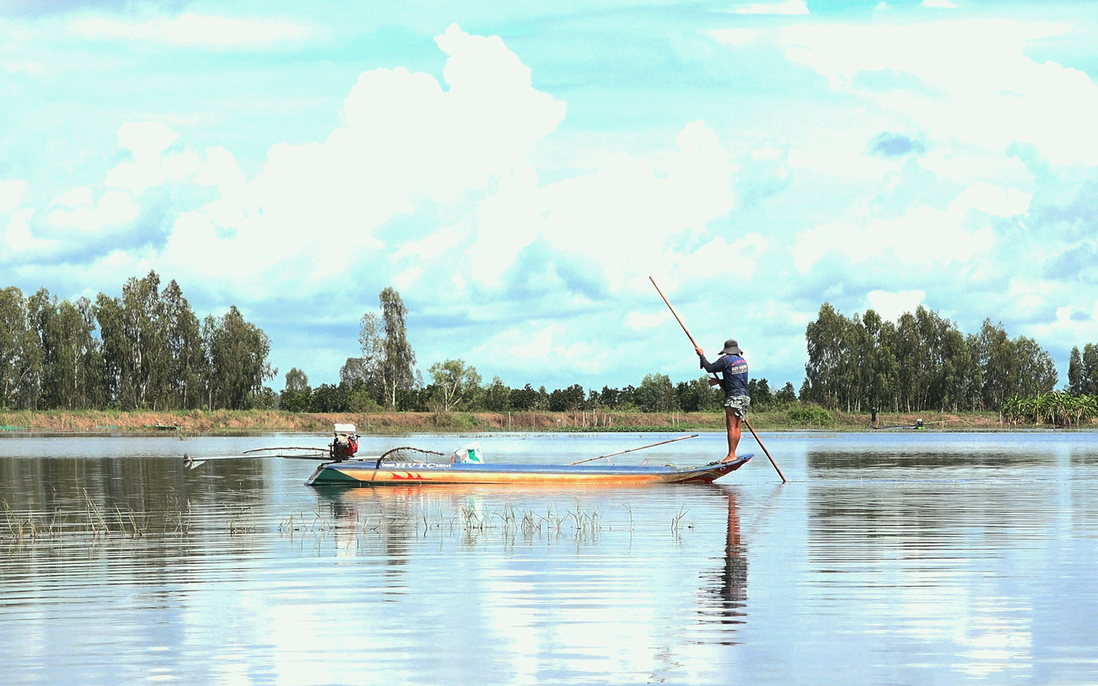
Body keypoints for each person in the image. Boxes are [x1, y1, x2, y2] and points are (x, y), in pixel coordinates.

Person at [695, 338, 750, 463]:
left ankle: (731, 455)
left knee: (731, 427)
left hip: (734, 397)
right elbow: (735, 380)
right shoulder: (742, 361)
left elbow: (709, 368)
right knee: (737, 427)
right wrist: (719, 382)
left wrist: (701, 356)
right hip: (745, 397)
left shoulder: (725, 360)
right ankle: (733, 453)